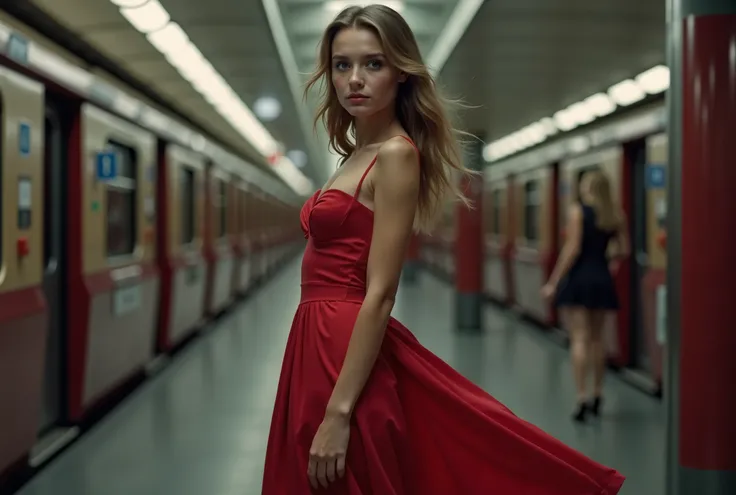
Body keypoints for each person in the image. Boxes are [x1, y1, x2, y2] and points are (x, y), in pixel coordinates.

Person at [262, 5, 625, 494]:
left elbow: (382, 292)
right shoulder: (355, 155)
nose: (355, 79)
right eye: (342, 65)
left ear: (401, 73)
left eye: (374, 63)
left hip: (343, 351)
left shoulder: (394, 155)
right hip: (313, 341)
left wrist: (339, 410)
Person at [542, 169, 629, 423]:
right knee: (598, 340)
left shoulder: (578, 211)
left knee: (579, 339)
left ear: (587, 188)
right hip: (602, 277)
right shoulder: (616, 215)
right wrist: (607, 262)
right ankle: (598, 394)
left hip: (580, 279)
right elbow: (624, 250)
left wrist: (553, 281)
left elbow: (572, 248)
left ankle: (581, 398)